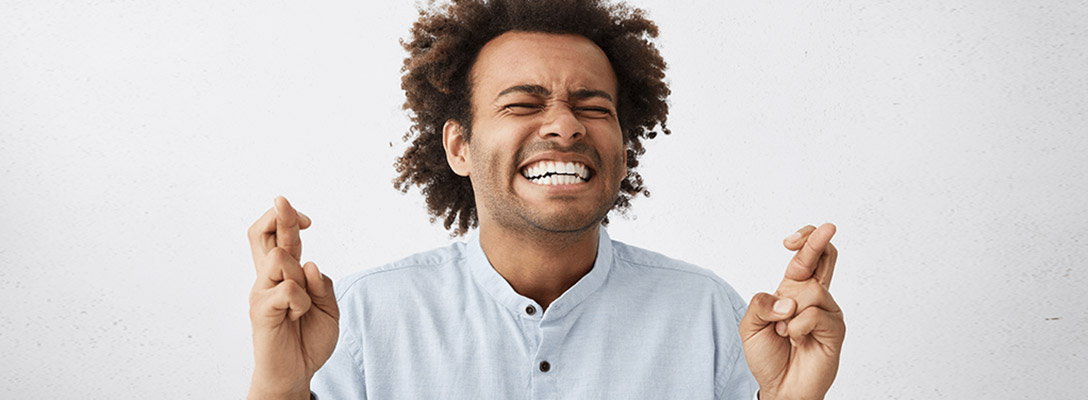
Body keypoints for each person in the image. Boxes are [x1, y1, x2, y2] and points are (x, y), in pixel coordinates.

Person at [245, 0, 845, 399]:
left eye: (593, 107)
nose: (565, 127)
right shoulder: (361, 319)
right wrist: (279, 388)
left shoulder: (710, 316)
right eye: (522, 104)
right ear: (459, 147)